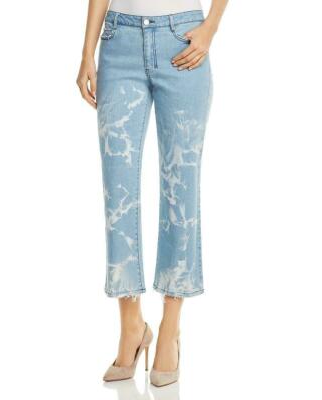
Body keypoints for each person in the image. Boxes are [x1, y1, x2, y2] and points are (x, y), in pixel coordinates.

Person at [77, 0, 228, 387]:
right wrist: (87, 50)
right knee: (117, 192)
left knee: (181, 188)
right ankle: (132, 327)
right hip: (119, 42)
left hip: (184, 41)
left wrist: (211, 26)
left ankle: (171, 328)